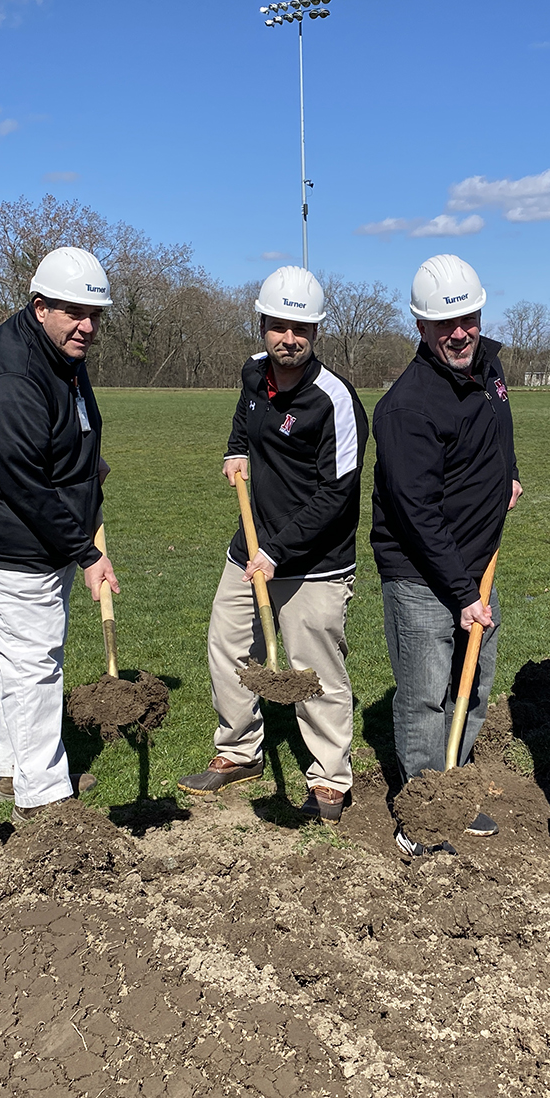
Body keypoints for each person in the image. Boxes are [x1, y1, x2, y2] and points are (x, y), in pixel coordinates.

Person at [0, 247, 118, 823]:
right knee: (36, 659)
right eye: (72, 312)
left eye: (95, 314)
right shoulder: (9, 374)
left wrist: (92, 481)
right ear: (39, 307)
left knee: (17, 657)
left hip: (31, 531)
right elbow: (26, 484)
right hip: (2, 537)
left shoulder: (62, 355)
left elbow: (72, 436)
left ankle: (12, 772)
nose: (86, 326)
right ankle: (45, 799)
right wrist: (86, 552)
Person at [177, 267, 369, 822]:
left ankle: (330, 777)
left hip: (314, 561)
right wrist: (234, 449)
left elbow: (338, 493)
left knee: (315, 670)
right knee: (229, 647)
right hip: (251, 547)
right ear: (261, 325)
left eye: (301, 328)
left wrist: (279, 551)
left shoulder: (336, 401)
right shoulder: (253, 374)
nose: (289, 338)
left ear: (316, 332)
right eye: (279, 326)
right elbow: (245, 421)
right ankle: (239, 752)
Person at [370, 254, 521, 855]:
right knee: (427, 693)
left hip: (477, 562)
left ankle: (454, 787)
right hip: (423, 573)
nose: (460, 332)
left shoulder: (489, 369)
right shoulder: (407, 408)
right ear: (421, 328)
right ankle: (422, 811)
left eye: (469, 317)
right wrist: (460, 596)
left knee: (476, 681)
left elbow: (498, 430)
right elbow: (417, 514)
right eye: (444, 324)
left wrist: (509, 474)